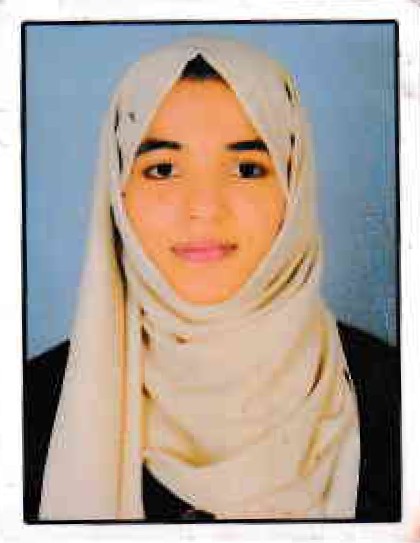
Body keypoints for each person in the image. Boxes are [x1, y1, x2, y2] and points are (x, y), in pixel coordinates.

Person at [23, 34, 400, 522]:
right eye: (163, 169)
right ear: (118, 193)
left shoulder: (394, 395)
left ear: (294, 185)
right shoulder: (30, 409)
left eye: (247, 168)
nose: (204, 208)